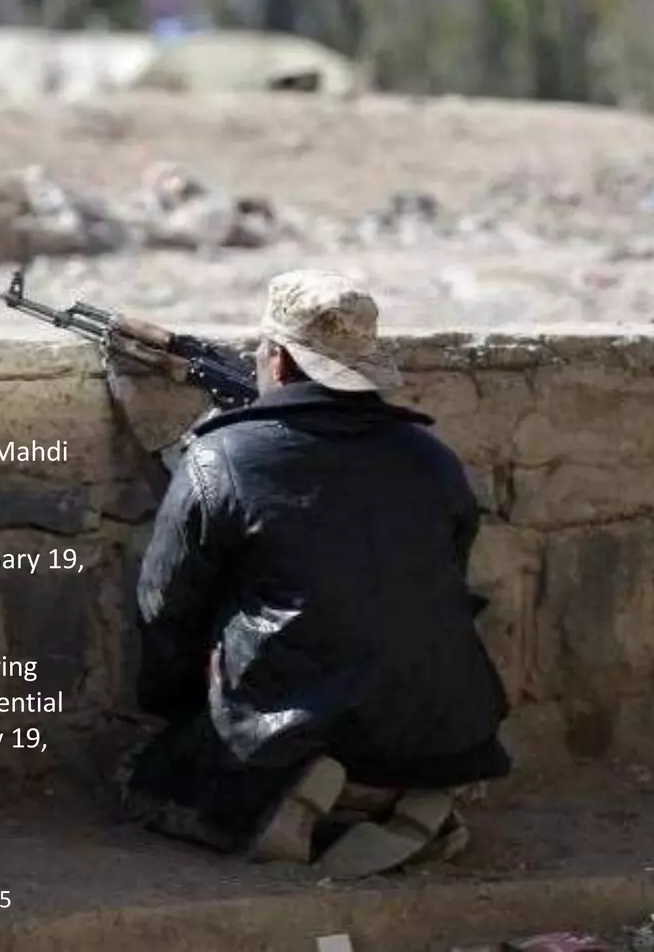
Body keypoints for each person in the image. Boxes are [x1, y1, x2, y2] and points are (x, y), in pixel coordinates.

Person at [120, 270, 512, 876]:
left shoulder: (221, 457)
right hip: (446, 730)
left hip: (292, 728)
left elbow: (164, 607)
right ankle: (406, 796)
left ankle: (298, 792)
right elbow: (442, 587)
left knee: (149, 781)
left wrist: (180, 715)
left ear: (276, 362)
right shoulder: (432, 459)